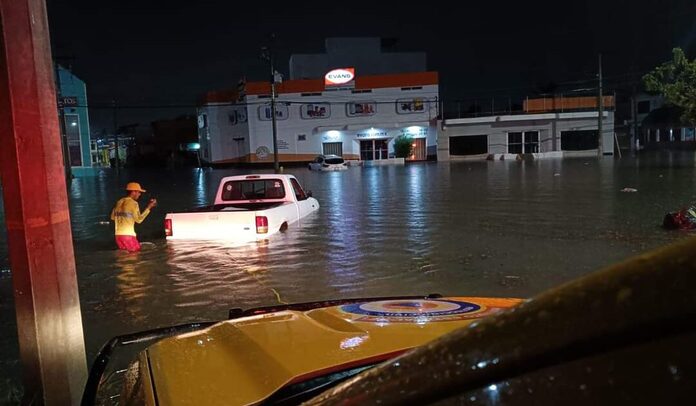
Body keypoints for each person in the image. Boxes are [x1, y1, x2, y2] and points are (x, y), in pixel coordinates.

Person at [111, 182, 157, 252]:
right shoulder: (134, 203)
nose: (139, 194)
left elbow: (113, 217)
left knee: (124, 259)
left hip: (118, 236)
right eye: (138, 192)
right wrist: (149, 207)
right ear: (133, 192)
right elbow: (139, 220)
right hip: (128, 236)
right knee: (134, 257)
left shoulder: (119, 201)